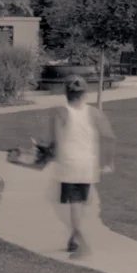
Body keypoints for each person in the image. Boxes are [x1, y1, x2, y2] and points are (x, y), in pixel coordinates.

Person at [36, 75, 115, 258]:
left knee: (68, 202)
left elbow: (55, 140)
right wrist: (109, 161)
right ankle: (74, 236)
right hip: (88, 164)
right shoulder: (94, 113)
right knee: (80, 202)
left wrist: (44, 151)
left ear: (66, 94)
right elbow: (109, 137)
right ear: (85, 93)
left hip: (69, 164)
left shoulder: (60, 113)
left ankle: (79, 239)